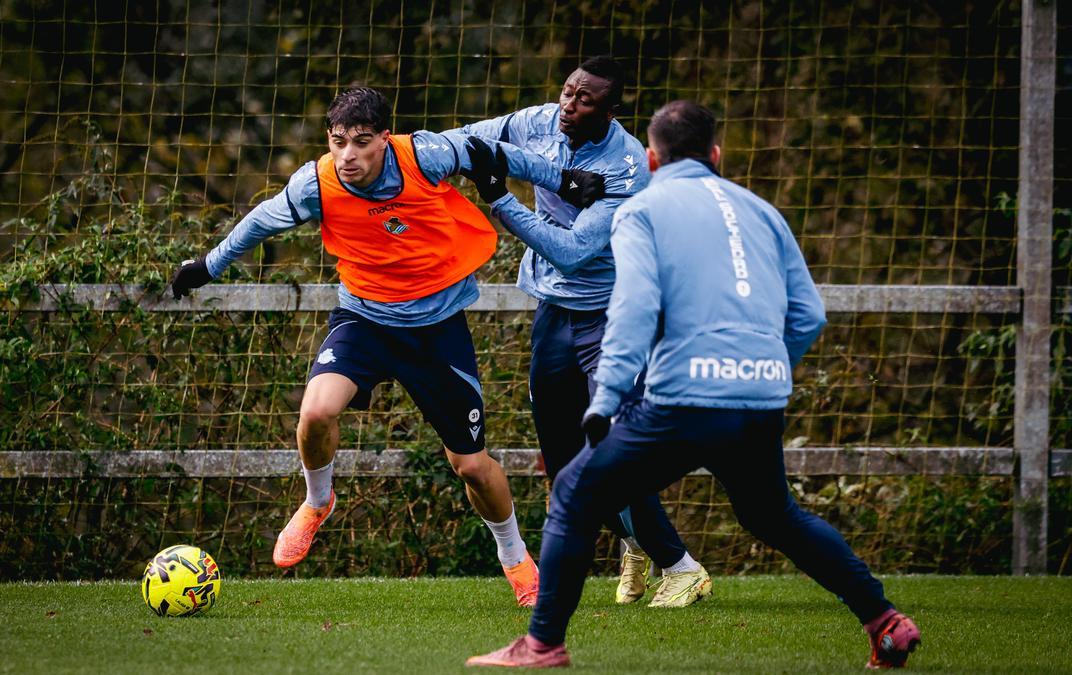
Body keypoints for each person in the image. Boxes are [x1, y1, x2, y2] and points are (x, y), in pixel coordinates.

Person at [466, 100, 921, 668]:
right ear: (716, 155)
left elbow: (631, 312)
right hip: (759, 396)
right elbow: (808, 316)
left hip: (683, 399)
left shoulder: (642, 208)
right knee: (774, 516)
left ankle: (541, 645)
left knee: (576, 493)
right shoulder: (762, 211)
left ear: (651, 159)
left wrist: (604, 401)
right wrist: (765, 368)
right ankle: (884, 621)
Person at [170, 87, 605, 607]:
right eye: (337, 143)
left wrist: (562, 179)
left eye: (360, 143)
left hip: (436, 329)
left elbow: (491, 152)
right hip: (364, 320)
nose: (347, 156)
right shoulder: (319, 183)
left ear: (384, 138)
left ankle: (515, 558)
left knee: (470, 465)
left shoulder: (426, 154)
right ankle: (316, 502)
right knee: (314, 413)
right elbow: (262, 219)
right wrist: (206, 266)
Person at [452, 56, 710, 608]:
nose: (569, 105)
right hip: (553, 315)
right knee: (565, 460)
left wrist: (499, 198)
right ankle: (635, 540)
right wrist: (400, 152)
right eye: (568, 93)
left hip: (612, 317)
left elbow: (570, 254)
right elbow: (469, 139)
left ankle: (683, 568)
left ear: (611, 110)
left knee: (615, 449)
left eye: (585, 99)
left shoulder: (626, 167)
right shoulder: (540, 122)